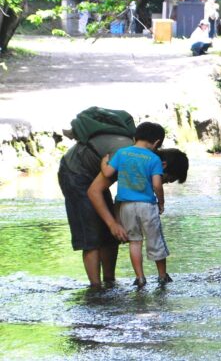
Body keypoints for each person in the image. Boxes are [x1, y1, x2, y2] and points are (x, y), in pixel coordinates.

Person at [58, 129, 135, 289]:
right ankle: (95, 288)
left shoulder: (141, 158)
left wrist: (116, 222)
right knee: (90, 234)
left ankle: (109, 281)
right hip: (74, 172)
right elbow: (94, 192)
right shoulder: (128, 159)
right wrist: (113, 223)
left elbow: (121, 196)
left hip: (93, 175)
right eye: (167, 179)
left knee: (110, 233)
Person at [100, 122, 169, 288]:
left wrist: (103, 162)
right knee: (155, 240)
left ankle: (140, 278)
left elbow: (108, 172)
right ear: (157, 142)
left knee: (135, 241)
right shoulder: (154, 158)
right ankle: (162, 276)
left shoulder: (122, 153)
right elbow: (157, 185)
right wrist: (161, 202)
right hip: (147, 205)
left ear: (134, 138)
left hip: (126, 206)